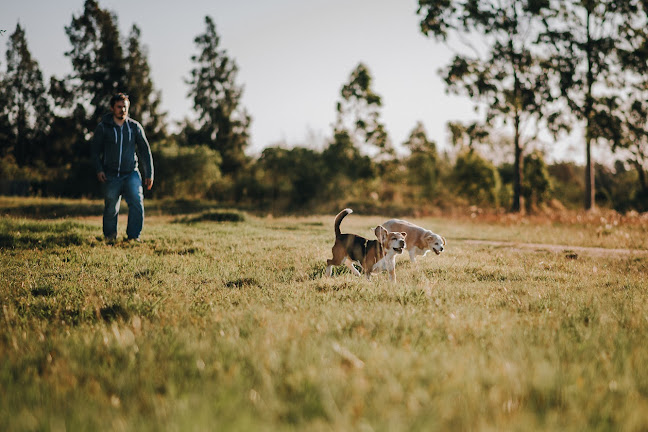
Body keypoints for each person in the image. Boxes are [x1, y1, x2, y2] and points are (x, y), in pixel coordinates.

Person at [91, 93, 154, 242]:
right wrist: (99, 169)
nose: (122, 110)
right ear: (112, 108)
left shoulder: (134, 127)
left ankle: (133, 237)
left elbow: (145, 151)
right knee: (111, 207)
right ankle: (110, 237)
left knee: (137, 203)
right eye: (119, 107)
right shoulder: (103, 127)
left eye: (125, 107)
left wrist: (149, 173)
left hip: (131, 173)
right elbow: (94, 151)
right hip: (110, 175)